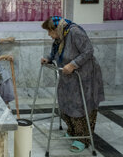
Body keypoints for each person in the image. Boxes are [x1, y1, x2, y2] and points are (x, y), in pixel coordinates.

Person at [41, 16, 104, 153]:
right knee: (65, 102)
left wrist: (73, 64)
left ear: (55, 28)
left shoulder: (75, 32)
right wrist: (48, 58)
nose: (49, 35)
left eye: (49, 32)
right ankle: (73, 131)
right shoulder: (60, 36)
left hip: (84, 76)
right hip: (68, 76)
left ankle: (83, 139)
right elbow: (55, 51)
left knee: (81, 105)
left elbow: (88, 51)